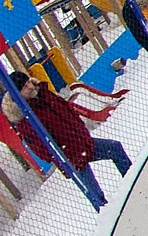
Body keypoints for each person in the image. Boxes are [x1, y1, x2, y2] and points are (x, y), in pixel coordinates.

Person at [9, 70, 132, 200]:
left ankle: (132, 183)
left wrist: (81, 130)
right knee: (95, 193)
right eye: (24, 87)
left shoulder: (44, 94)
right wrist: (60, 155)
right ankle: (107, 213)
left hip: (82, 141)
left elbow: (68, 109)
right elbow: (39, 149)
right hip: (69, 158)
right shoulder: (24, 119)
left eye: (28, 82)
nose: (30, 87)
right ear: (17, 94)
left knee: (114, 148)